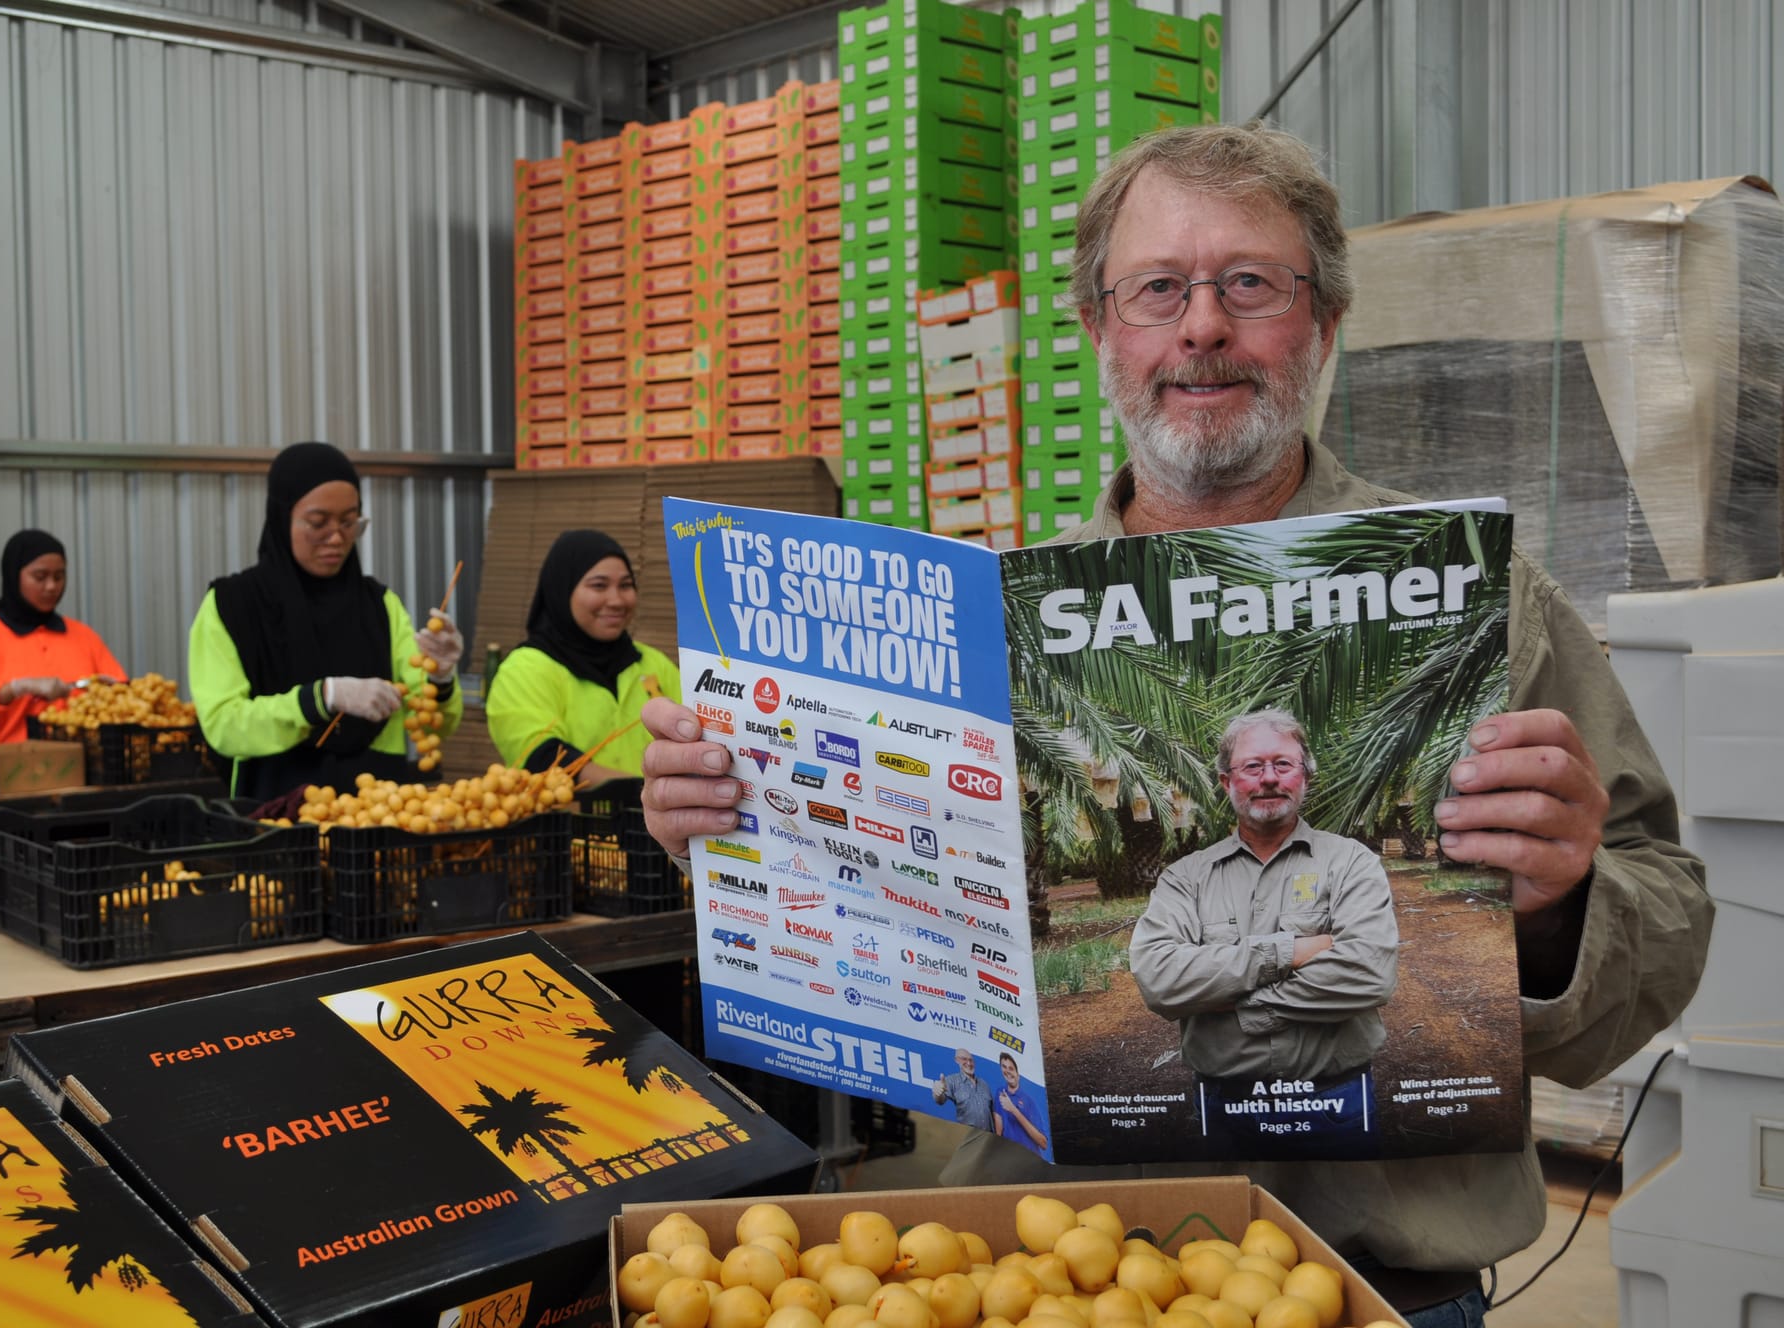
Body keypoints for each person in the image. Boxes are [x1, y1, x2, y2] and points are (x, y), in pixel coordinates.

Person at [636, 123, 1712, 1325]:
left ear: (1322, 323)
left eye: (1249, 283)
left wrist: (1557, 907)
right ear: (1098, 329)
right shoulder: (972, 630)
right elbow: (900, 934)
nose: (1201, 325)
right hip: (1039, 1283)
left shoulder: (1483, 603)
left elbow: (1665, 915)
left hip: (1375, 1293)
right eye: (1157, 288)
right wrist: (737, 832)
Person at [1130, 709, 1397, 1157]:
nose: (1269, 778)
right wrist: (1289, 951)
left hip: (1335, 1100)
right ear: (1226, 781)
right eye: (1253, 766)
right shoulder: (1186, 879)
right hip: (1224, 1105)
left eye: (1283, 764)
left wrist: (1236, 1000)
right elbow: (1160, 980)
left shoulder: (1351, 863)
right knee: (1229, 1204)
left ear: (1304, 776)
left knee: (1345, 1202)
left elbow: (1369, 974)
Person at [188, 442, 462, 800]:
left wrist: (440, 676)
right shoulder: (232, 606)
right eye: (318, 523)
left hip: (376, 813)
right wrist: (319, 698)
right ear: (282, 518)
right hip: (274, 814)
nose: (336, 538)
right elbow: (223, 726)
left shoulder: (379, 605)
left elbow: (429, 723)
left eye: (349, 523)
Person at [485, 530, 679, 786]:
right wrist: (648, 793)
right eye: (599, 585)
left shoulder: (652, 663)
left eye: (625, 585)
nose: (616, 600)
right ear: (562, 590)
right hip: (570, 812)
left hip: (660, 810)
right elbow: (543, 759)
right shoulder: (524, 669)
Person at [0, 529, 125, 743]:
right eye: (40, 577)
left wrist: (112, 693)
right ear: (14, 576)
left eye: (59, 576)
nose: (51, 586)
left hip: (86, 759)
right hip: (16, 760)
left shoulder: (83, 637)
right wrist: (13, 689)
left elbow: (126, 698)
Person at [992, 1052, 1049, 1154]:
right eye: (1004, 1067)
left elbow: (1043, 1143)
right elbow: (998, 1127)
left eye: (1011, 1068)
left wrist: (1013, 1109)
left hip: (1028, 1159)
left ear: (1018, 1075)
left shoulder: (1029, 1101)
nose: (1007, 1071)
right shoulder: (1000, 1093)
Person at [932, 1048, 994, 1132]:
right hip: (968, 1136)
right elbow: (940, 1100)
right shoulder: (952, 1081)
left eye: (971, 1060)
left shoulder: (984, 1084)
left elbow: (992, 1112)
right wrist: (937, 1093)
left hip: (988, 1136)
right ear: (957, 1060)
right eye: (964, 1059)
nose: (969, 1063)